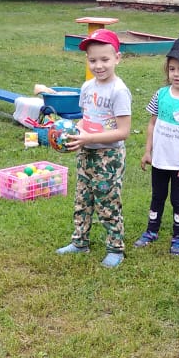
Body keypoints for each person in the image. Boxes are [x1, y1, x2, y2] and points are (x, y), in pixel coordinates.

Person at [56, 29, 132, 268]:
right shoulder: (88, 87)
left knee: (107, 202)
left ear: (117, 58)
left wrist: (88, 138)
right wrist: (73, 132)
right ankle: (80, 242)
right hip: (85, 152)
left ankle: (115, 248)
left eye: (104, 59)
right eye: (92, 60)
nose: (98, 65)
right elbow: (85, 118)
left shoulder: (118, 91)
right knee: (82, 200)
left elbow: (123, 132)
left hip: (108, 156)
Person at [134, 35, 179, 256]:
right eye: (172, 68)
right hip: (160, 159)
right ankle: (151, 231)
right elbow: (152, 123)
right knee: (157, 196)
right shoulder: (161, 94)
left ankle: (178, 237)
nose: (176, 74)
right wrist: (148, 151)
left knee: (178, 200)